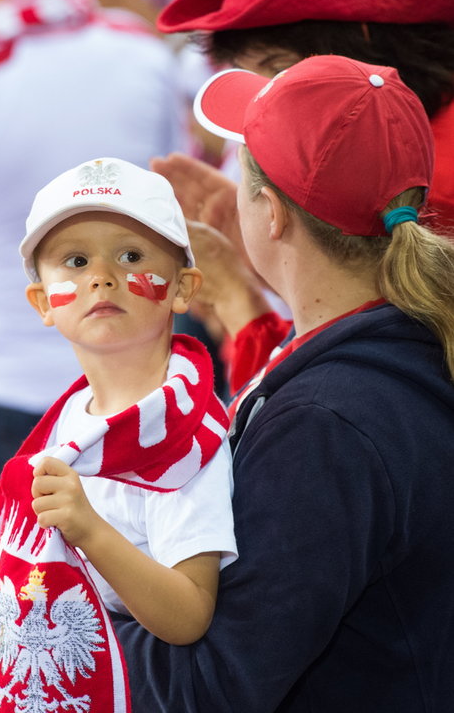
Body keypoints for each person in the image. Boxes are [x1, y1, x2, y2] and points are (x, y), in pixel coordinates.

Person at [109, 56, 454, 711]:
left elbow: (214, 684)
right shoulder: (407, 333)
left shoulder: (326, 426)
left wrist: (51, 629)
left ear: (268, 213)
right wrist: (242, 301)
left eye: (238, 172)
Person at [0, 157, 237, 710]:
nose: (101, 275)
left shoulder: (184, 438)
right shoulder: (72, 416)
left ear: (182, 288)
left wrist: (89, 529)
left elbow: (190, 615)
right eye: (75, 260)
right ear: (42, 304)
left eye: (131, 256)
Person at [0, 0, 189, 551]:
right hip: (143, 381)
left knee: (4, 615)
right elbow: (181, 215)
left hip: (2, 383)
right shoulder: (141, 52)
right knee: (141, 615)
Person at [151, 0, 454, 392]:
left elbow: (332, 393)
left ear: (364, 42)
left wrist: (241, 290)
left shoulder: (432, 186)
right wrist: (260, 275)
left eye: (278, 68)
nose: (262, 97)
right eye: (243, 72)